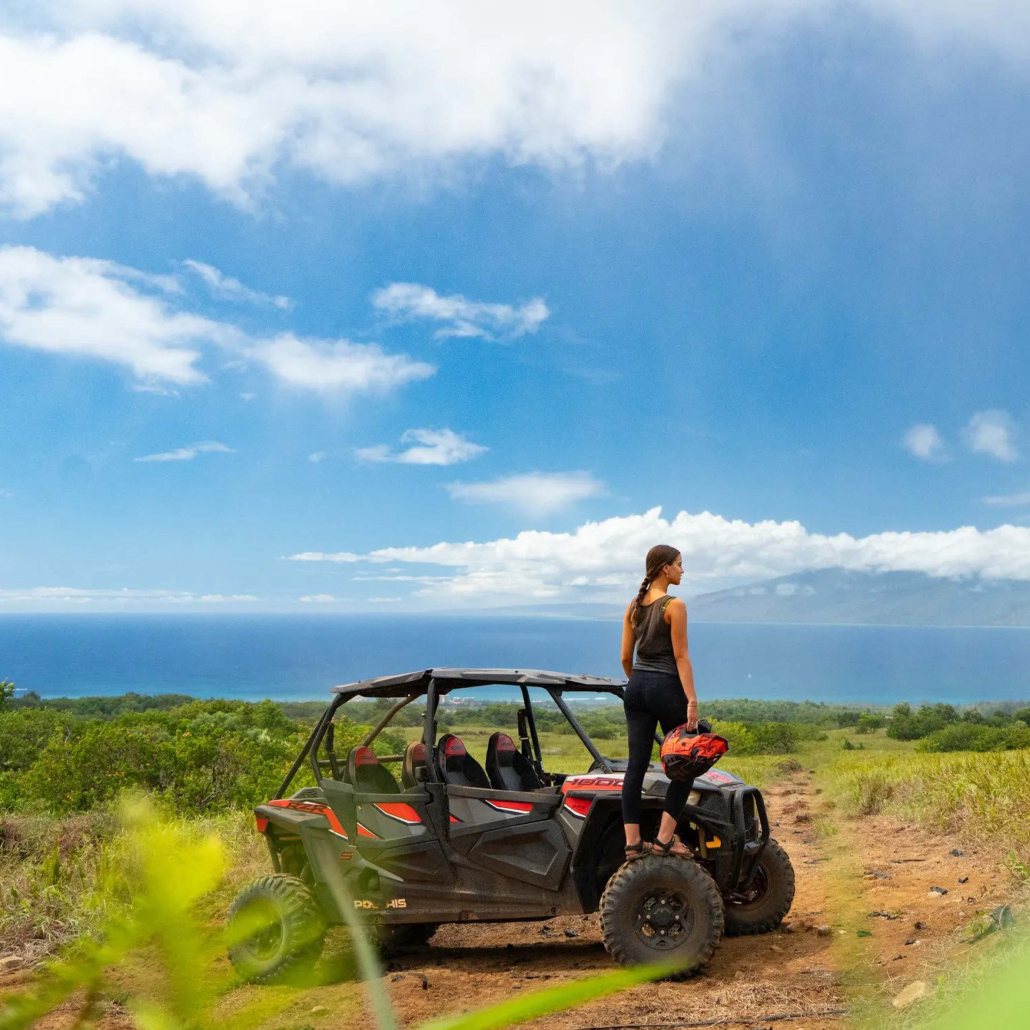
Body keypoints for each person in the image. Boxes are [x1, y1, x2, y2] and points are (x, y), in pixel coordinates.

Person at [619, 544, 698, 859]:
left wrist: (637, 680)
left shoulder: (633, 606)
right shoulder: (674, 605)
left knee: (635, 767)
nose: (682, 570)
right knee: (685, 763)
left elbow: (626, 657)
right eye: (679, 564)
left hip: (636, 687)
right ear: (665, 568)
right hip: (666, 687)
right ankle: (665, 839)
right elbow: (681, 656)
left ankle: (633, 843)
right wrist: (691, 699)